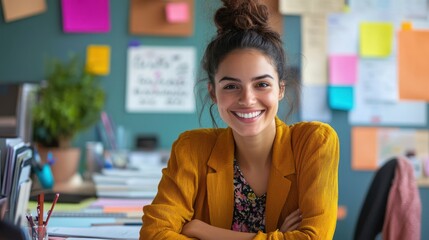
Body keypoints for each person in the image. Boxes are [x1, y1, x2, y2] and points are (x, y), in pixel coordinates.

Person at [140, 0, 339, 239]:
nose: (247, 99)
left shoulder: (314, 142)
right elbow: (154, 234)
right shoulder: (191, 148)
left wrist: (204, 231)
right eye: (232, 86)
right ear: (213, 92)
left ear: (280, 89)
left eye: (262, 84)